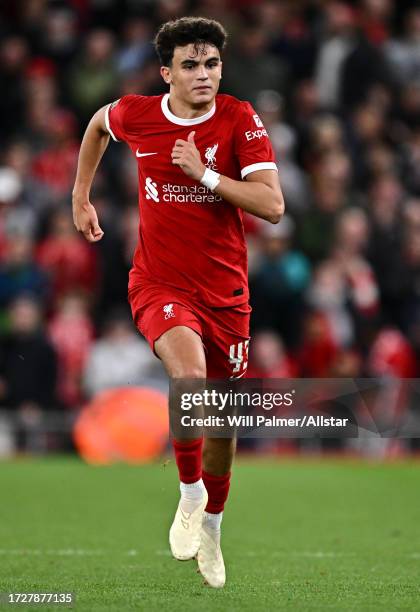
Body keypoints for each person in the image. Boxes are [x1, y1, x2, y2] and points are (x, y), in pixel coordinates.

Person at [72, 16, 284, 589]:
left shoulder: (240, 118)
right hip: (160, 284)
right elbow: (97, 125)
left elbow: (272, 205)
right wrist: (80, 195)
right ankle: (189, 495)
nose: (204, 75)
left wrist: (206, 175)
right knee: (187, 378)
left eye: (212, 63)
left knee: (219, 420)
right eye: (190, 65)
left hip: (225, 295)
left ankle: (212, 524)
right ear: (167, 73)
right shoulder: (139, 114)